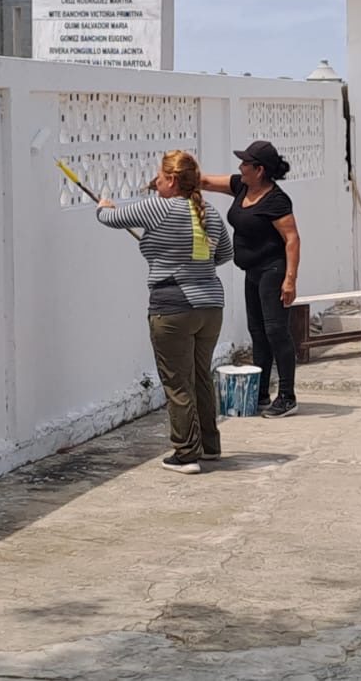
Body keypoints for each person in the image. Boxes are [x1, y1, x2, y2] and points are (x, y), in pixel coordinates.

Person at [97, 151, 234, 474]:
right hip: (210, 306)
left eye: (159, 176)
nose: (155, 182)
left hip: (173, 307)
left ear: (171, 180)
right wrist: (193, 263)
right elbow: (224, 254)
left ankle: (186, 454)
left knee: (177, 382)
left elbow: (111, 219)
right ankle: (209, 446)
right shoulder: (210, 213)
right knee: (201, 375)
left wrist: (103, 206)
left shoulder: (158, 207)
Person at [202, 140, 303, 418]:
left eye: (245, 163)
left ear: (259, 170)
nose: (240, 167)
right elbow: (206, 182)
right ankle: (260, 393)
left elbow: (292, 239)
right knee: (257, 332)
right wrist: (177, 177)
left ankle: (287, 396)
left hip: (274, 271)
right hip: (253, 271)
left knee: (276, 332)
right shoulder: (241, 186)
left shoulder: (276, 200)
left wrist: (290, 280)